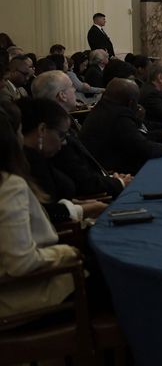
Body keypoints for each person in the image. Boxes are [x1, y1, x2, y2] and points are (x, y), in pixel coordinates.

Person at [0, 104, 79, 317]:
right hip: (27, 298)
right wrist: (67, 253)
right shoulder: (8, 185)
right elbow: (21, 263)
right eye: (19, 131)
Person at [31, 71, 131, 197]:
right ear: (62, 95)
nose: (74, 90)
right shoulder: (53, 133)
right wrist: (119, 182)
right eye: (72, 87)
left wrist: (111, 178)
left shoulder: (59, 122)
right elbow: (82, 180)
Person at [18, 98, 107, 223]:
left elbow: (51, 200)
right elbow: (42, 213)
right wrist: (82, 209)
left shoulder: (38, 157)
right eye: (61, 135)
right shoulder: (28, 162)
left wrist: (75, 203)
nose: (63, 143)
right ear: (42, 130)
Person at [80, 79, 162, 175]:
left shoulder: (103, 108)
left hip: (109, 165)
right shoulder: (120, 117)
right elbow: (145, 148)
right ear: (131, 102)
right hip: (120, 172)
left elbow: (140, 134)